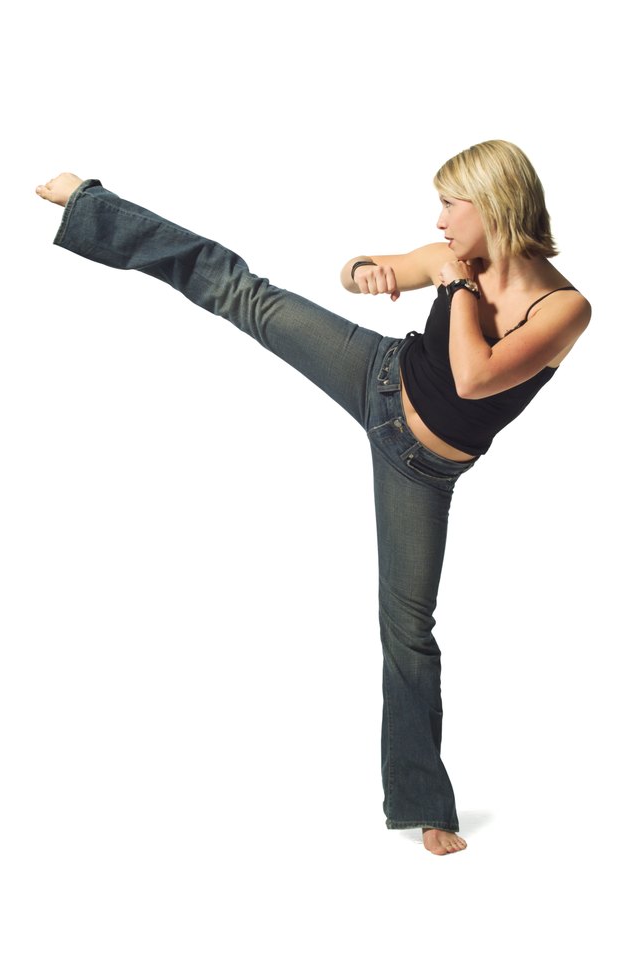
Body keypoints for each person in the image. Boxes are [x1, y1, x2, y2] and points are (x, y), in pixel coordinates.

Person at [35, 141, 590, 856]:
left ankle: (424, 805)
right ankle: (91, 205)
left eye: (451, 203)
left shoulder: (565, 308)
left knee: (408, 631)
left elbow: (475, 377)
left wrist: (450, 284)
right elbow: (358, 269)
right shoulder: (454, 256)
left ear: (493, 204)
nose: (440, 218)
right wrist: (370, 274)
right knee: (241, 291)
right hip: (377, 375)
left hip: (420, 470)